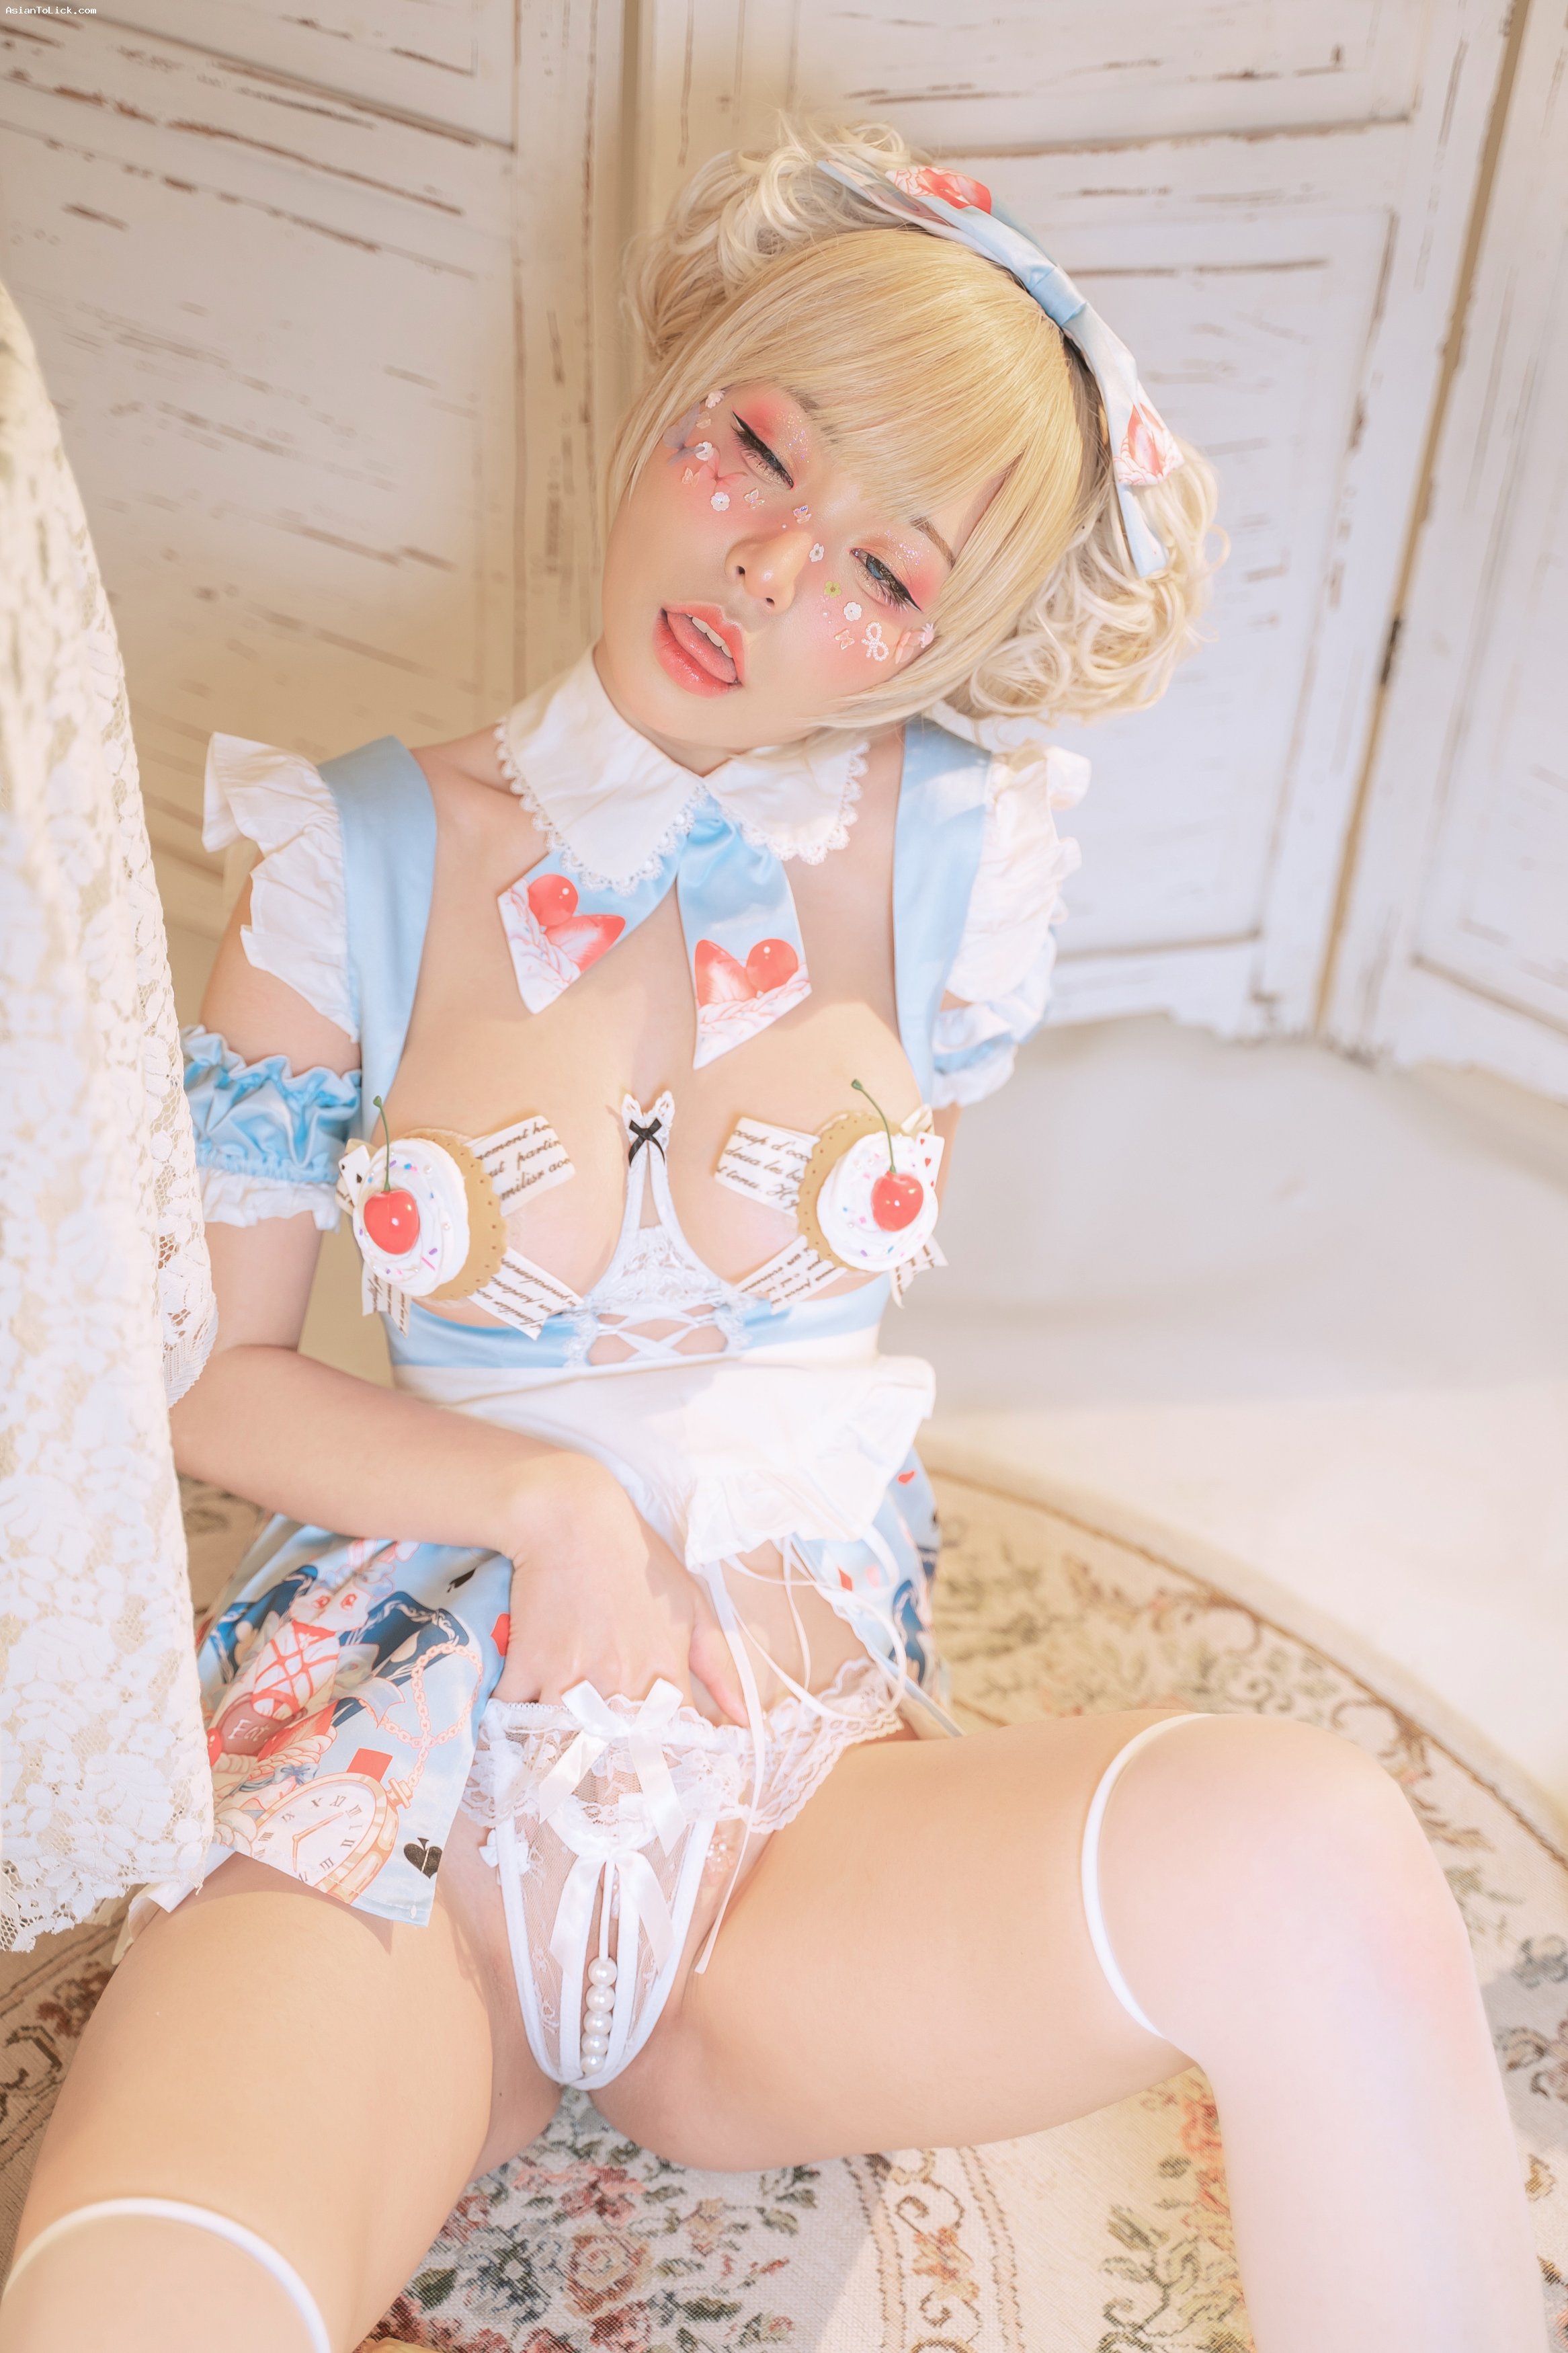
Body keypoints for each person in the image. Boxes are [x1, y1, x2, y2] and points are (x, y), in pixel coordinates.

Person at [0, 122, 1543, 2353]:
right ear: (671, 394)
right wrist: (549, 1504)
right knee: (137, 2295)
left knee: (1317, 1855)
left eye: (882, 571)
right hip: (409, 1772)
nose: (768, 566)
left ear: (946, 636)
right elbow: (205, 1372)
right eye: (757, 448)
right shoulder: (351, 852)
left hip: (802, 1812)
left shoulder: (963, 857)